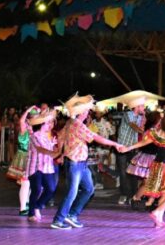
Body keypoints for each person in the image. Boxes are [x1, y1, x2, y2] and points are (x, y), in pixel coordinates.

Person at [52, 95, 123, 230]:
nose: (87, 113)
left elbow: (60, 137)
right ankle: (58, 220)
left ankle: (72, 215)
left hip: (79, 163)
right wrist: (115, 144)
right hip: (75, 162)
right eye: (86, 111)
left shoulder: (69, 123)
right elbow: (96, 138)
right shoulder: (77, 125)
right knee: (72, 193)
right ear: (81, 112)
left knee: (89, 189)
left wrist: (61, 152)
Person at [26, 109, 59, 223]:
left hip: (47, 167)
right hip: (35, 167)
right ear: (42, 124)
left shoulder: (46, 137)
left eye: (51, 122)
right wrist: (52, 152)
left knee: (51, 188)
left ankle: (37, 206)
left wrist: (54, 147)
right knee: (36, 190)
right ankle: (31, 213)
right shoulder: (34, 135)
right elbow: (39, 148)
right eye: (48, 122)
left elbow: (52, 151)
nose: (50, 125)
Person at [7, 106, 39, 216]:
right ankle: (22, 208)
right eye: (35, 117)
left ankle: (27, 203)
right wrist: (28, 110)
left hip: (31, 157)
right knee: (25, 183)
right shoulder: (24, 128)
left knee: (30, 183)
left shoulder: (34, 130)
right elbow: (21, 120)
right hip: (24, 157)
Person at [127, 111, 162, 210]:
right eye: (160, 118)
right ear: (156, 120)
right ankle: (136, 198)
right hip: (148, 158)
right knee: (148, 182)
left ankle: (149, 202)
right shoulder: (151, 131)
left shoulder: (156, 130)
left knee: (155, 182)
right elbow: (145, 144)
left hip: (156, 157)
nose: (161, 120)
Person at [116, 96, 146, 205]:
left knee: (133, 172)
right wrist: (144, 132)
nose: (144, 107)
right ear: (137, 106)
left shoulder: (139, 117)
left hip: (132, 147)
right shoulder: (128, 114)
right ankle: (124, 194)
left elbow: (141, 127)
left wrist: (144, 119)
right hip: (123, 147)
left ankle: (133, 195)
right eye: (142, 106)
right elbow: (133, 126)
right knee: (123, 172)